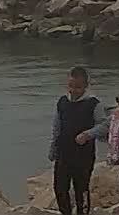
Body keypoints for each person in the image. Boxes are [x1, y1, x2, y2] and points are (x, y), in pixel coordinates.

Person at [48, 65, 106, 215]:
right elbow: (57, 126)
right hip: (63, 153)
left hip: (83, 155)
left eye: (78, 87)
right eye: (71, 86)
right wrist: (53, 148)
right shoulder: (62, 102)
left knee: (81, 189)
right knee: (60, 188)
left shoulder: (94, 103)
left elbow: (105, 125)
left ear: (86, 86)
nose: (74, 90)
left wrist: (88, 134)